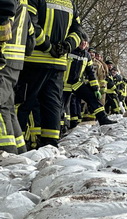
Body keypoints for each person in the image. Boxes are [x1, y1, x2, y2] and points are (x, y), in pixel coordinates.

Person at [16, 0, 83, 148]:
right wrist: (67, 46)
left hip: (34, 61)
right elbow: (78, 32)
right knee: (52, 105)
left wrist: (48, 46)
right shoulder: (69, 3)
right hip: (58, 64)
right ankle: (50, 144)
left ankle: (18, 144)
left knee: (23, 104)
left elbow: (31, 24)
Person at [61, 32, 117, 132]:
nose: (84, 44)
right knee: (62, 107)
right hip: (63, 84)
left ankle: (103, 119)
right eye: (82, 41)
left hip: (76, 84)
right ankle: (62, 127)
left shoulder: (87, 55)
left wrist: (95, 88)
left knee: (93, 98)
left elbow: (91, 73)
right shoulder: (69, 51)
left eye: (86, 42)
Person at [0, 0, 35, 154]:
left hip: (4, 58)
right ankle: (20, 153)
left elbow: (3, 17)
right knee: (8, 107)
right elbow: (31, 39)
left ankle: (6, 153)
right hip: (16, 61)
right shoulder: (25, 3)